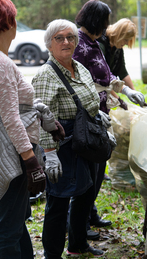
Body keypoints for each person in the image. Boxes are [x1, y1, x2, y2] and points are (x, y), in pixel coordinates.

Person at [0, 0, 65, 259]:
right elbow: (10, 118)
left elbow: (18, 105)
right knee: (8, 226)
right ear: (7, 23)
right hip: (12, 151)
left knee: (16, 217)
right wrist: (30, 161)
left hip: (6, 145)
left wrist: (47, 119)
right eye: (14, 19)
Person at [32, 19, 115, 258]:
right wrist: (49, 155)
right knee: (58, 202)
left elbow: (88, 100)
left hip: (85, 140)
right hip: (61, 145)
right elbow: (41, 118)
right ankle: (52, 253)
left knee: (86, 193)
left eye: (70, 37)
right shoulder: (46, 75)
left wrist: (99, 116)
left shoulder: (79, 67)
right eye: (59, 38)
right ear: (49, 44)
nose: (66, 42)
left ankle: (77, 244)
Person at [72, 0, 145, 241]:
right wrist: (116, 96)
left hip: (99, 113)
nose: (106, 26)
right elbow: (91, 81)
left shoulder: (93, 43)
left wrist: (129, 93)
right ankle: (78, 230)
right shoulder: (82, 45)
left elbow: (113, 74)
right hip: (87, 116)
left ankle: (87, 218)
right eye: (104, 21)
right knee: (88, 175)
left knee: (97, 169)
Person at [97, 18, 145, 110]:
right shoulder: (100, 44)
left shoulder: (117, 47)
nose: (127, 43)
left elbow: (122, 72)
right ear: (119, 35)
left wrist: (135, 93)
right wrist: (119, 100)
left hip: (105, 89)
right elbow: (102, 78)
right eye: (126, 40)